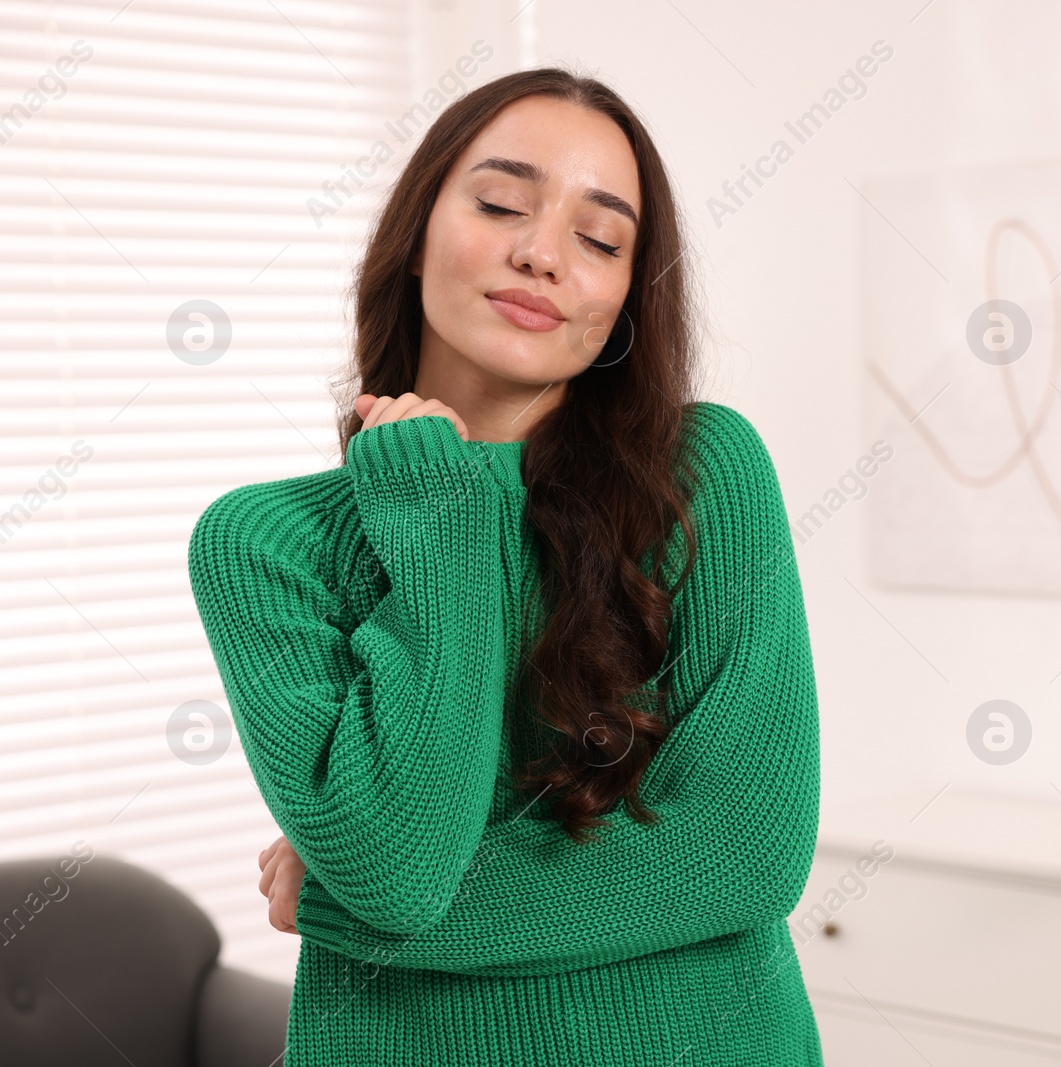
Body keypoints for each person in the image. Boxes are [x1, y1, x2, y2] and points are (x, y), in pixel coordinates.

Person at [187, 67, 823, 1065]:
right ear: (415, 235)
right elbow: (399, 866)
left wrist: (343, 905)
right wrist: (434, 519)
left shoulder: (702, 475)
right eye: (499, 203)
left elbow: (744, 853)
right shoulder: (265, 542)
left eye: (600, 239)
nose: (541, 254)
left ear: (623, 298)